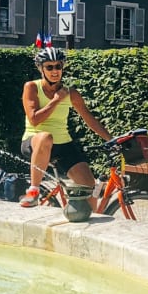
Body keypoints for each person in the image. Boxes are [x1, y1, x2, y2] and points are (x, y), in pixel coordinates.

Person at [20, 47, 113, 209]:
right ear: (41, 68)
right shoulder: (32, 87)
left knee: (90, 189)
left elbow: (90, 119)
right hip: (35, 142)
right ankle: (33, 191)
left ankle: (88, 222)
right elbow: (34, 120)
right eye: (49, 67)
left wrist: (112, 140)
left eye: (58, 66)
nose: (55, 71)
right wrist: (56, 100)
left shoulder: (72, 93)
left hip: (63, 145)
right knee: (45, 137)